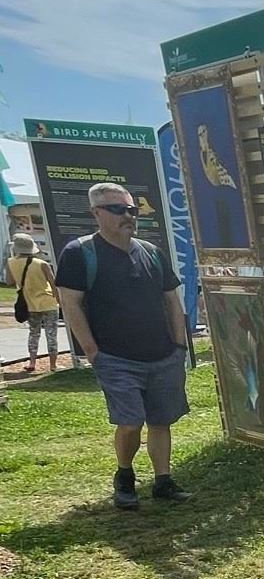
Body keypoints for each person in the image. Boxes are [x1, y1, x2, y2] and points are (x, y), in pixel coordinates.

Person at [53, 183, 191, 508]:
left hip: (162, 355)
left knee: (161, 420)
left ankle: (163, 481)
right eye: (117, 209)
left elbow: (171, 300)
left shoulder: (152, 252)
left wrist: (179, 346)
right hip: (115, 357)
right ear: (96, 213)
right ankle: (125, 475)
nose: (127, 216)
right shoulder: (79, 253)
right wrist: (91, 350)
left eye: (131, 209)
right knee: (130, 421)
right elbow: (70, 304)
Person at [5, 231, 61, 372]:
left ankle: (32, 363)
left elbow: (9, 281)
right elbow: (54, 285)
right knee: (51, 334)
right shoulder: (41, 264)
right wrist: (60, 301)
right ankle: (53, 365)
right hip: (48, 302)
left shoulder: (10, 263)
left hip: (29, 304)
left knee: (33, 333)